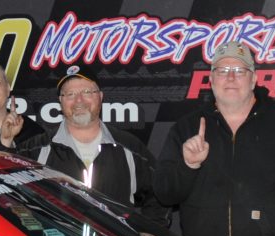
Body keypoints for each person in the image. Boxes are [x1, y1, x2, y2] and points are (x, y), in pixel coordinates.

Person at [153, 40, 275, 236]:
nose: (231, 77)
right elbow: (164, 194)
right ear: (211, 79)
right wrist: (189, 165)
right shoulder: (187, 127)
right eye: (222, 70)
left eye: (239, 70)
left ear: (253, 79)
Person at [17, 67, 165, 226]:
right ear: (60, 101)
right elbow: (7, 194)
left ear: (100, 97)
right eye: (70, 94)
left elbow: (160, 192)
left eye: (87, 92)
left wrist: (151, 232)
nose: (79, 100)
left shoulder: (129, 146)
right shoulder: (34, 149)